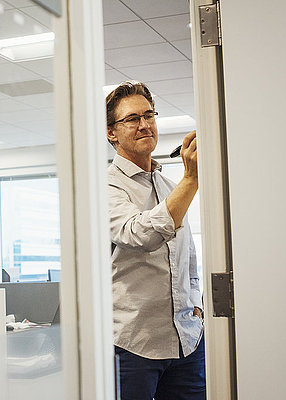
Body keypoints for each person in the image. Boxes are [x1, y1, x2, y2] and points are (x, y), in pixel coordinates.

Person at [106, 80, 205, 400]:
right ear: (112, 132)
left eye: (149, 115)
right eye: (132, 118)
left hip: (186, 342)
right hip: (133, 346)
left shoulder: (167, 184)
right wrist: (191, 180)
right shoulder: (105, 186)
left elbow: (186, 253)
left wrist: (197, 303)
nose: (144, 124)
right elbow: (140, 234)